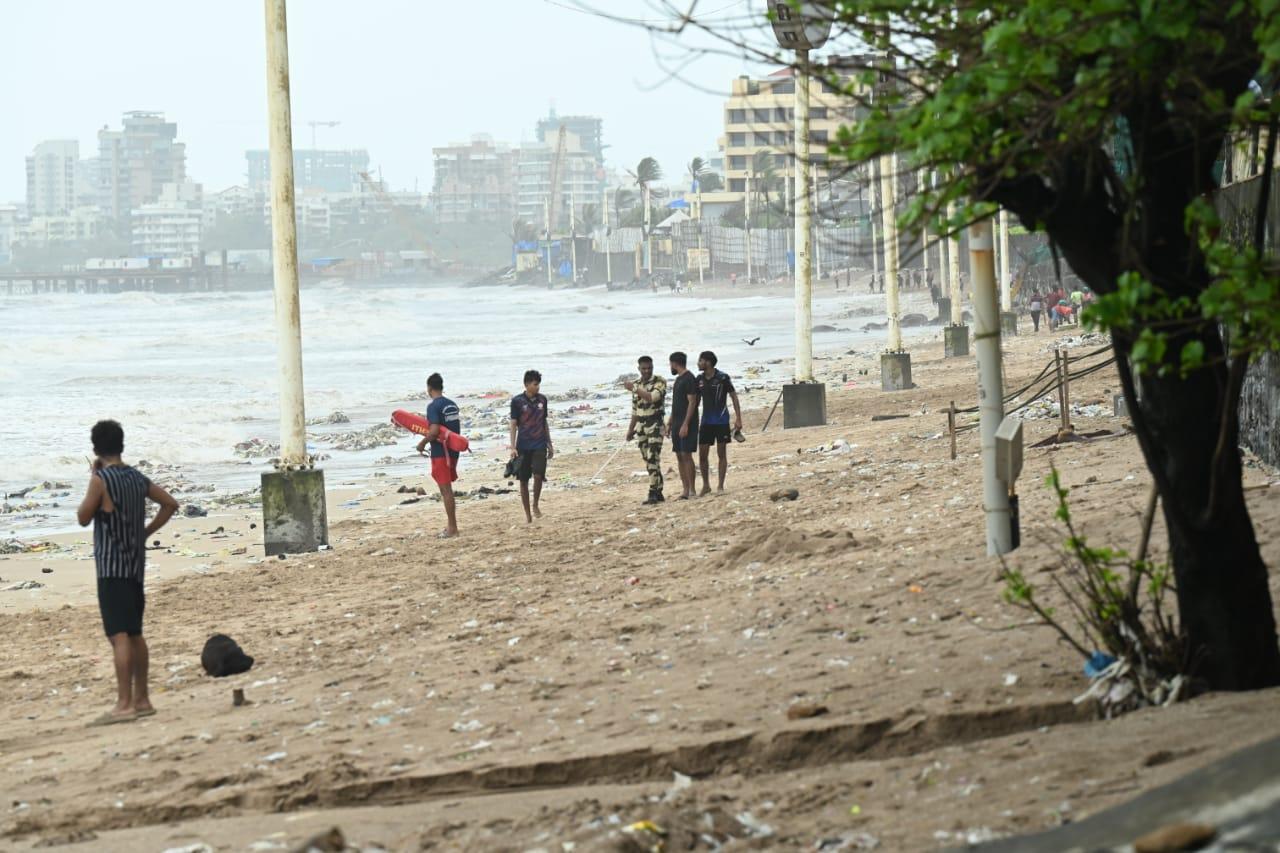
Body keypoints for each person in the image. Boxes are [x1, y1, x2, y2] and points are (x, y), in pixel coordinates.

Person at [76, 419, 179, 726]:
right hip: (135, 566)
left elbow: (83, 517)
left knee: (119, 635)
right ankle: (143, 699)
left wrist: (93, 478)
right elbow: (170, 504)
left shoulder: (101, 480)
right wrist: (145, 533)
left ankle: (124, 704)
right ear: (121, 445)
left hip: (111, 566)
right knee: (134, 633)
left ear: (95, 448)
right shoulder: (136, 477)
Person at [416, 372, 461, 538]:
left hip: (441, 453)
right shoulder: (452, 405)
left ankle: (452, 528)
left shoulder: (433, 406)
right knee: (447, 489)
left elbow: (434, 431)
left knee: (446, 490)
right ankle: (452, 526)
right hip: (453, 452)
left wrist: (422, 443)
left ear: (429, 388)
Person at [694, 351, 744, 495]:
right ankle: (706, 485)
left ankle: (720, 486)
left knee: (721, 454)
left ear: (708, 362)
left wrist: (738, 418)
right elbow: (695, 402)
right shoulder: (699, 379)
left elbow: (734, 397)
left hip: (721, 421)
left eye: (700, 360)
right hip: (705, 422)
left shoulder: (722, 378)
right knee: (702, 456)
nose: (698, 363)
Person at [509, 369, 552, 522]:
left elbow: (544, 422)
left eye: (538, 384)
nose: (537, 387)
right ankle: (527, 514)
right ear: (527, 385)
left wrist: (549, 443)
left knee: (539, 476)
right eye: (535, 384)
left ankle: (535, 505)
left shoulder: (543, 400)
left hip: (539, 443)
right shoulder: (517, 401)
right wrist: (513, 446)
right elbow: (513, 424)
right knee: (523, 480)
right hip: (523, 445)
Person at [624, 356, 667, 505]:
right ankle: (659, 489)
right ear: (639, 369)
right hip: (641, 426)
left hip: (655, 423)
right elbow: (635, 410)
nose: (647, 371)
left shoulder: (659, 382)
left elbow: (652, 397)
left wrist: (635, 388)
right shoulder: (637, 384)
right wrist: (630, 430)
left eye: (649, 368)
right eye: (644, 368)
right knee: (647, 460)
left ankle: (653, 492)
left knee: (652, 457)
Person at [666, 351, 700, 499]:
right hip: (677, 422)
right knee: (679, 455)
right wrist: (670, 422)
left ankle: (692, 489)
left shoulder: (689, 379)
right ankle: (685, 490)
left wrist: (686, 424)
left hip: (687, 423)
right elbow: (676, 404)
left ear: (674, 363)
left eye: (670, 364)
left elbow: (692, 402)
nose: (670, 367)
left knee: (687, 454)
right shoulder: (679, 379)